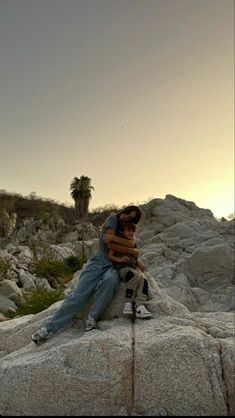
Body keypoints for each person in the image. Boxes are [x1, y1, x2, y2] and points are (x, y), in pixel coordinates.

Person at [31, 205, 142, 345]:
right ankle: (48, 328)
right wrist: (130, 244)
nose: (127, 217)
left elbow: (132, 249)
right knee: (79, 295)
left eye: (131, 218)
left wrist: (134, 253)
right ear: (124, 210)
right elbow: (108, 240)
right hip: (99, 261)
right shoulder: (113, 218)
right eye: (127, 213)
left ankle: (92, 318)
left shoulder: (127, 230)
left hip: (114, 266)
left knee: (110, 282)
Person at [108, 221, 152, 319]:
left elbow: (134, 256)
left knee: (143, 280)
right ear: (123, 232)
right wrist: (120, 259)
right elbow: (110, 256)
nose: (131, 233)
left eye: (133, 231)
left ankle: (140, 306)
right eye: (128, 231)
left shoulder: (133, 243)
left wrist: (139, 263)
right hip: (122, 269)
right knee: (135, 276)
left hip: (132, 267)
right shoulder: (117, 242)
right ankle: (128, 303)